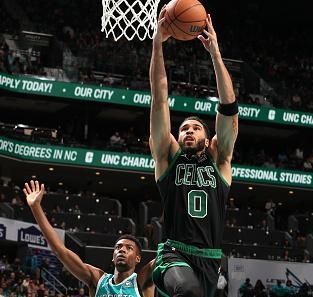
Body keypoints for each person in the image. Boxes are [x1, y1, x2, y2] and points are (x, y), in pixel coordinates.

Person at [149, 6, 238, 297]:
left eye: (196, 128)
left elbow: (228, 108)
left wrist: (215, 53)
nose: (188, 130)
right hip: (173, 253)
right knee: (189, 293)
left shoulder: (220, 160)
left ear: (209, 137)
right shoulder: (167, 157)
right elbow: (159, 96)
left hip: (211, 259)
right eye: (183, 128)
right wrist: (157, 45)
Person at [23, 180, 155, 297]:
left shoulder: (142, 282)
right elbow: (60, 251)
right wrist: (36, 208)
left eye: (129, 248)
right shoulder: (98, 280)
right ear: (113, 257)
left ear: (138, 258)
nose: (122, 250)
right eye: (118, 247)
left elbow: (167, 252)